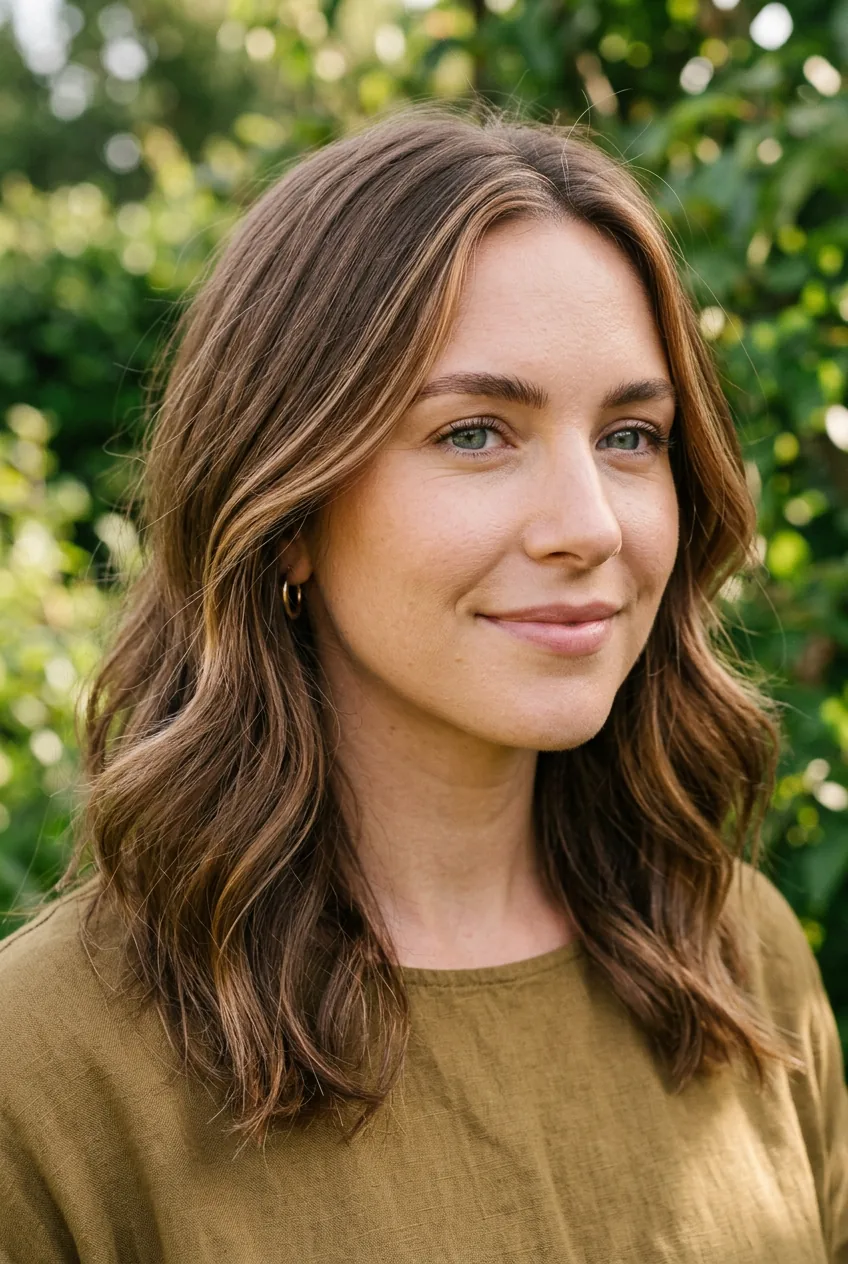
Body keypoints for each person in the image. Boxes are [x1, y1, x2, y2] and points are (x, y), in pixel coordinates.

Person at [0, 102, 845, 1264]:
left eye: (630, 436)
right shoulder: (44, 1067)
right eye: (474, 433)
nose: (588, 525)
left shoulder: (737, 960)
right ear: (286, 508)